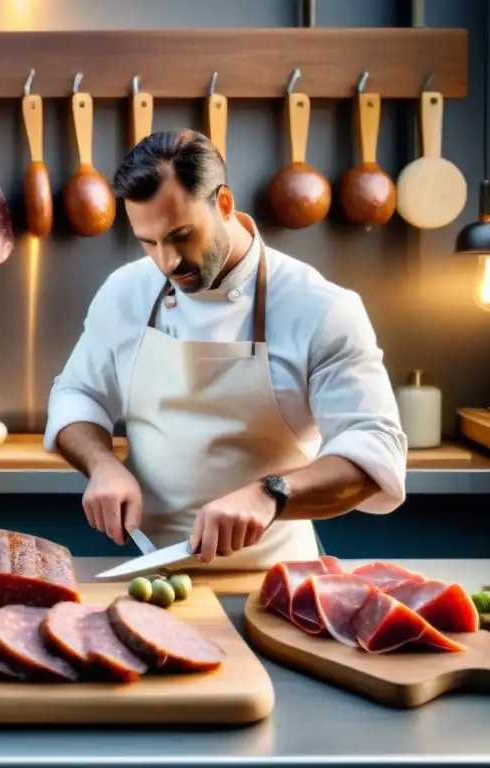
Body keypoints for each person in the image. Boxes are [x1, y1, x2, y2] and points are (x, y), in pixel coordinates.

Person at [44, 130, 407, 568]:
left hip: (272, 576)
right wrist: (102, 463)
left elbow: (376, 446)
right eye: (148, 241)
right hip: (146, 564)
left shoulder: (321, 308)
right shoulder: (126, 291)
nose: (167, 262)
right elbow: (77, 395)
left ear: (225, 203)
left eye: (181, 235)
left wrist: (271, 493)